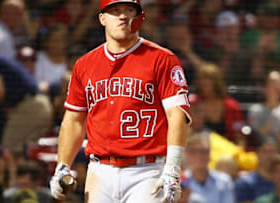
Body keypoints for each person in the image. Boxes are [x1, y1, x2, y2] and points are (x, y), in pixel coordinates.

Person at [49, 1, 191, 203]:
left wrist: (172, 169)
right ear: (102, 18)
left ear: (139, 18)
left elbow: (177, 115)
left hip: (147, 170)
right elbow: (73, 119)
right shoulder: (84, 64)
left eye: (129, 10)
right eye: (115, 11)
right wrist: (62, 165)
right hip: (100, 169)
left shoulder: (162, 59)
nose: (123, 16)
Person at [183, 133, 235, 203]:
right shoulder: (181, 181)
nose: (199, 156)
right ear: (186, 154)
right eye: (194, 151)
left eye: (204, 151)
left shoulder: (224, 181)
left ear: (210, 154)